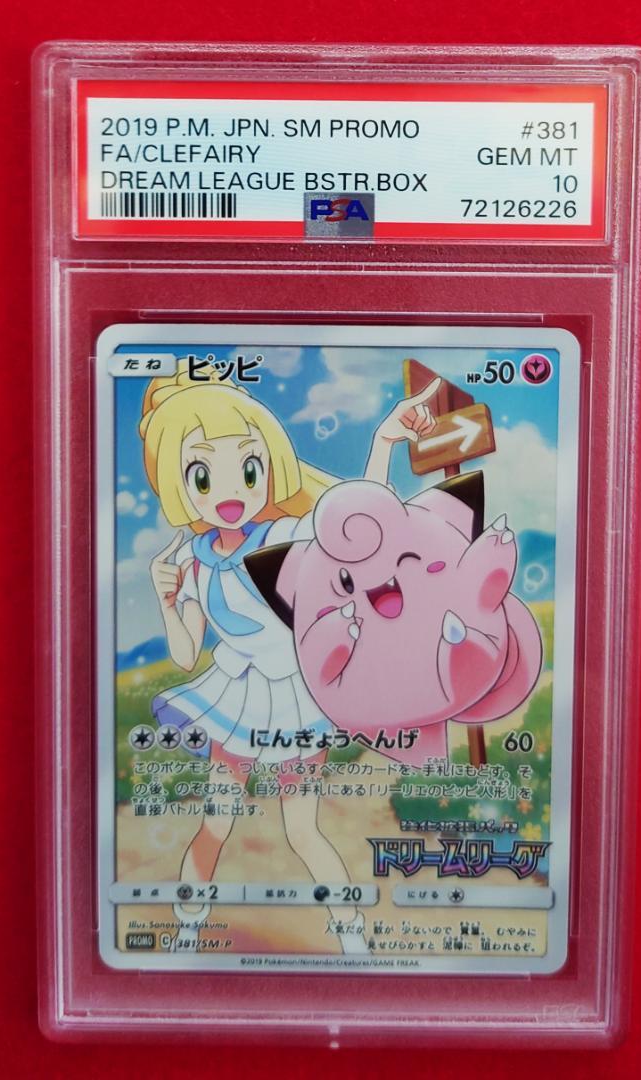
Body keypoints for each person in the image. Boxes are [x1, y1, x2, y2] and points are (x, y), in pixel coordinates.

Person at [139, 360, 438, 953]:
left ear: (270, 467)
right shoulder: (194, 560)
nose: (230, 493)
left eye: (248, 469)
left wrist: (383, 443)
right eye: (202, 475)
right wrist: (166, 597)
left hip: (297, 700)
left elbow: (359, 527)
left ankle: (351, 938)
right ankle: (187, 931)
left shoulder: (283, 537)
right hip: (238, 699)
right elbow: (185, 653)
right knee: (216, 820)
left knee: (302, 828)